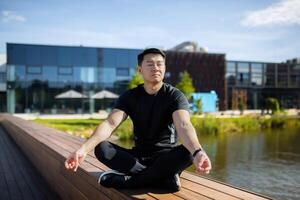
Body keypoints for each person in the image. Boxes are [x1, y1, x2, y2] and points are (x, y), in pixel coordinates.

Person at [65, 48, 212, 191]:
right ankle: (164, 177)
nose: (156, 68)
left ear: (165, 68)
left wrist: (198, 152)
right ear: (140, 70)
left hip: (165, 158)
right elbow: (110, 123)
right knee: (101, 148)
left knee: (187, 152)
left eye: (160, 64)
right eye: (150, 64)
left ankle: (131, 181)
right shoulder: (130, 96)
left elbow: (184, 124)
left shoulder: (174, 96)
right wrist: (83, 150)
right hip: (136, 159)